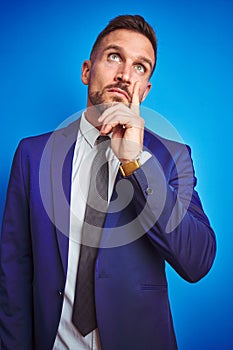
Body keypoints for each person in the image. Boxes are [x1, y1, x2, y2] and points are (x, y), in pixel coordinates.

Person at [0, 14, 216, 350]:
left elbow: (197, 260)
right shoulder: (33, 154)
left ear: (145, 89)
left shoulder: (171, 156)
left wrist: (135, 161)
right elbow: (14, 269)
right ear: (88, 70)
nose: (125, 75)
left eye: (140, 67)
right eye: (114, 56)